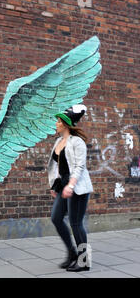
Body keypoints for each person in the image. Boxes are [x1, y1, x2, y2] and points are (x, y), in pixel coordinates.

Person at [48, 105, 93, 272]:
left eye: (59, 121)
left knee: (75, 223)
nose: (56, 124)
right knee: (56, 218)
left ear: (66, 124)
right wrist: (55, 185)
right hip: (63, 187)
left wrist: (71, 185)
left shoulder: (77, 142)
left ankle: (84, 261)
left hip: (77, 187)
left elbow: (79, 167)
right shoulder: (58, 142)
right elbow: (56, 166)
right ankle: (72, 254)